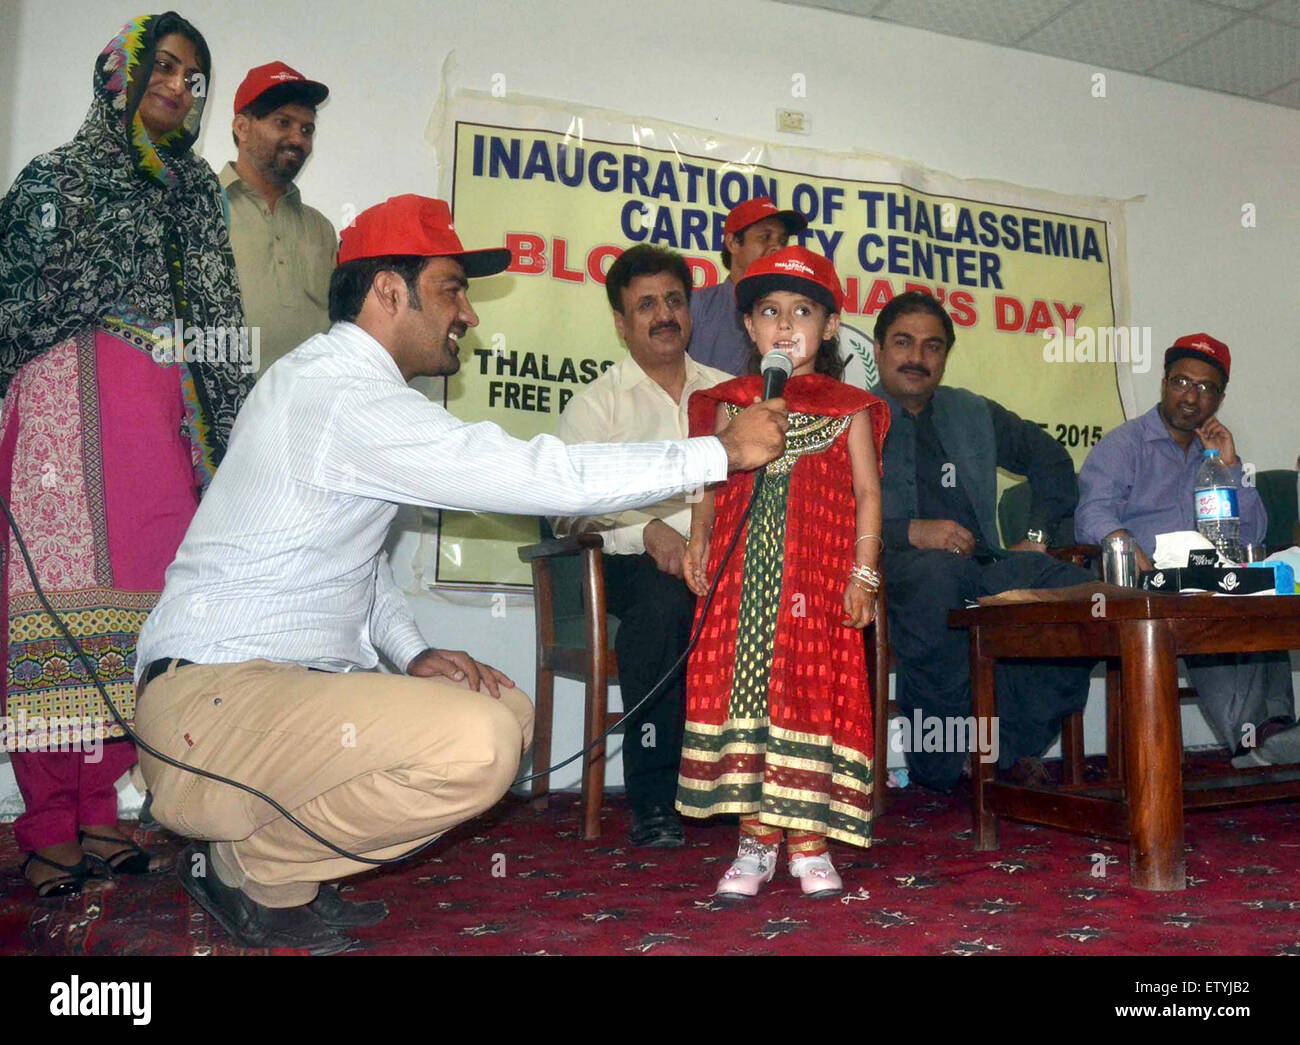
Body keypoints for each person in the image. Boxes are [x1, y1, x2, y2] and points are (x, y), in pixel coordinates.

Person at [132, 194, 789, 954]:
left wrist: (412, 650)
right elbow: (533, 474)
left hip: (259, 699)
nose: (469, 315)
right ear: (388, 291)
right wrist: (718, 454)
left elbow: (357, 564)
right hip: (213, 706)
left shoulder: (335, 387)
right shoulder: (344, 394)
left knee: (503, 709)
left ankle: (268, 883)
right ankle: (248, 856)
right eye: (451, 288)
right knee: (479, 747)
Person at [0, 12, 250, 900]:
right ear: (122, 68)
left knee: (138, 619)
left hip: (160, 417)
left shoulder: (193, 194)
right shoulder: (54, 179)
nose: (178, 85)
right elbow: (12, 303)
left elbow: (219, 322)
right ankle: (45, 823)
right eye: (166, 66)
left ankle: (102, 806)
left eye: (194, 77)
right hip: (64, 411)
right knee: (57, 608)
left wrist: (227, 426)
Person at [678, 246, 889, 900]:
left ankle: (810, 842)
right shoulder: (730, 402)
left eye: (803, 310)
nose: (786, 325)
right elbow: (708, 484)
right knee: (745, 700)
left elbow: (869, 493)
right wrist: (700, 535)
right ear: (749, 326)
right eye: (770, 311)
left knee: (809, 699)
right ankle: (754, 841)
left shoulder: (848, 407)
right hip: (743, 589)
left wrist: (865, 572)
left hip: (818, 588)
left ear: (829, 327)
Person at [870, 291, 1093, 792]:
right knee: (936, 575)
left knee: (1079, 594)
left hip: (982, 562)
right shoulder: (851, 418)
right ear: (880, 350)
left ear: (945, 357)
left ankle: (1007, 749)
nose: (917, 358)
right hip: (892, 567)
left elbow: (1053, 462)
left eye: (932, 347)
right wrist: (908, 530)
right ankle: (941, 764)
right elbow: (825, 514)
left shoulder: (972, 411)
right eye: (903, 343)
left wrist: (1035, 536)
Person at [551, 245, 730, 847]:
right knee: (663, 600)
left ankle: (751, 786)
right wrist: (647, 531)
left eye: (674, 301)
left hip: (723, 559)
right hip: (624, 570)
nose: (664, 315)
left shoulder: (731, 395)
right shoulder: (596, 405)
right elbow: (566, 510)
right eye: (646, 304)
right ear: (622, 323)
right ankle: (655, 798)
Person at [1076, 333, 1299, 766]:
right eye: (1181, 382)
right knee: (1214, 609)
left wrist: (1231, 466)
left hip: (1210, 577)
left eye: (1205, 387)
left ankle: (1275, 730)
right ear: (1163, 383)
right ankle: (1255, 741)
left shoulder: (1215, 453)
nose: (1190, 396)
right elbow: (1092, 512)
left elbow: (1253, 533)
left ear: (1220, 398)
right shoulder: (1125, 445)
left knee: (1259, 595)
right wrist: (1123, 541)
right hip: (1150, 584)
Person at [222, 61, 336, 376]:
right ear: (242, 128)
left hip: (306, 413)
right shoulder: (200, 212)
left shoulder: (321, 229)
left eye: (307, 129)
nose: (298, 139)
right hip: (219, 416)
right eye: (282, 122)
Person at [688, 197, 807, 375]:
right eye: (765, 237)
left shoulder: (799, 314)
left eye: (783, 241)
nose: (777, 248)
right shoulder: (695, 306)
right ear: (733, 243)